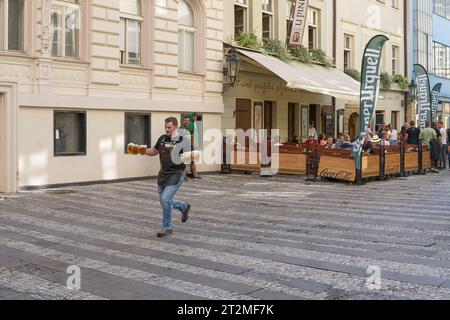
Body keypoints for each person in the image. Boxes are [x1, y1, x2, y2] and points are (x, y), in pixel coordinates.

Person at [145, 117, 191, 238]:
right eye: (165, 127)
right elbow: (154, 151)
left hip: (176, 174)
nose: (167, 129)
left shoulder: (183, 140)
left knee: (165, 200)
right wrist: (141, 150)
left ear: (175, 126)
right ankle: (183, 206)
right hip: (163, 174)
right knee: (164, 202)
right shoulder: (162, 138)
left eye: (169, 127)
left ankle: (167, 228)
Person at [188, 113, 202, 179]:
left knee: (192, 160)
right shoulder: (191, 124)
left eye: (196, 117)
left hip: (193, 144)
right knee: (192, 159)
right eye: (194, 116)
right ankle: (194, 174)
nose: (195, 118)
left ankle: (193, 173)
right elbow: (192, 135)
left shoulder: (194, 124)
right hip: (190, 144)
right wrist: (193, 144)